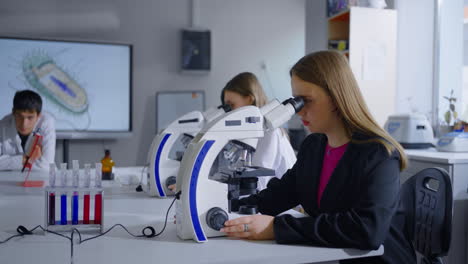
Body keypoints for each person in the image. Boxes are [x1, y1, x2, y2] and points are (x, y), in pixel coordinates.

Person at [220, 51, 416, 263]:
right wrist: (222, 208)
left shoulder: (378, 153)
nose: (299, 111)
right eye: (297, 101)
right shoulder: (314, 146)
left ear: (335, 97)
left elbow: (366, 230)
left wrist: (276, 228)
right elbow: (278, 195)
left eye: (306, 101)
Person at [221, 72, 297, 190]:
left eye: (231, 105)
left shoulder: (268, 131)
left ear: (250, 99)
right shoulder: (250, 131)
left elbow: (258, 181)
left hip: (287, 203)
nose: (228, 112)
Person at [0, 90, 56, 171]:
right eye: (19, 116)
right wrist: (25, 159)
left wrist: (8, 161)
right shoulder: (3, 124)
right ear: (13, 112)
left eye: (30, 117)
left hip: (40, 178)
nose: (24, 124)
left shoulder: (47, 123)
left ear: (38, 116)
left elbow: (47, 165)